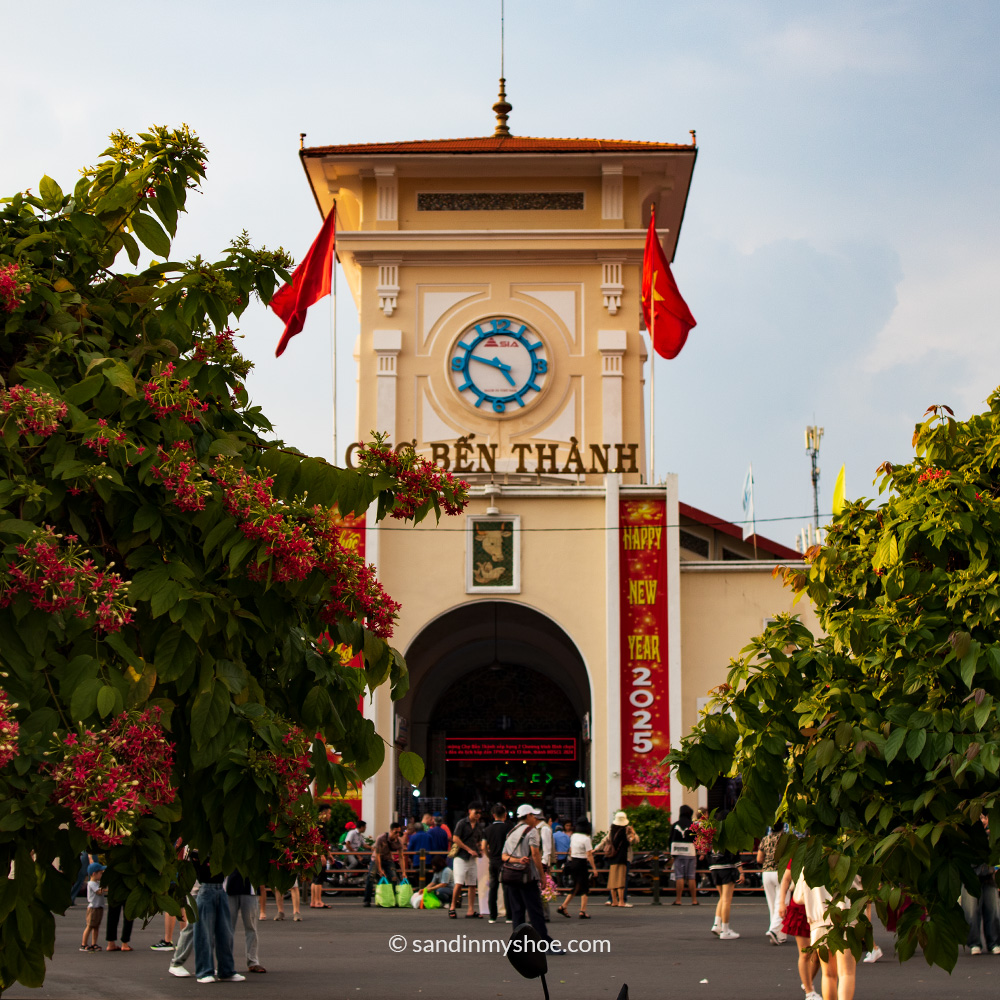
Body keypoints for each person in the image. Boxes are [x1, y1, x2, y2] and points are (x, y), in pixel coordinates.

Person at [501, 803, 561, 951]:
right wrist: (542, 876)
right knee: (535, 911)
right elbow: (535, 854)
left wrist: (517, 860)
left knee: (517, 911)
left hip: (512, 876)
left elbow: (504, 856)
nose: (535, 818)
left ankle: (518, 944)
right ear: (528, 816)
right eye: (533, 815)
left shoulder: (511, 832)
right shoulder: (532, 831)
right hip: (527, 877)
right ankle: (544, 943)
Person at [796, 872, 857, 1000]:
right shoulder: (850, 858)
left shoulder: (808, 865)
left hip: (819, 922)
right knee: (846, 973)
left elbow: (798, 898)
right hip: (846, 918)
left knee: (828, 974)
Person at [191, 852, 244, 983]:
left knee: (225, 933)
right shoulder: (197, 847)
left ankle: (226, 970)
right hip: (206, 888)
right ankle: (204, 971)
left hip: (220, 888)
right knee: (204, 933)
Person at [776, 862, 820, 1000]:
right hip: (800, 907)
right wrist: (782, 903)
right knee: (805, 952)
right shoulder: (797, 855)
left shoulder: (825, 852)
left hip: (819, 907)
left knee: (819, 954)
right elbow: (786, 879)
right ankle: (809, 991)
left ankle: (807, 982)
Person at [708, 809, 743, 938]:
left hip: (714, 867)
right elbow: (735, 853)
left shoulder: (713, 833)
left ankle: (717, 924)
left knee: (722, 897)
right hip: (726, 867)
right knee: (727, 900)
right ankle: (725, 930)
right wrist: (741, 872)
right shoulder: (729, 833)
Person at [557, 818, 598, 918]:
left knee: (577, 886)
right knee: (584, 887)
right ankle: (582, 911)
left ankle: (563, 906)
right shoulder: (586, 838)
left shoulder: (574, 836)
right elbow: (589, 854)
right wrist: (594, 869)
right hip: (582, 862)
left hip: (573, 862)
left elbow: (571, 850)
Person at [449, 803, 484, 918]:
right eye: (476, 812)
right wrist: (469, 849)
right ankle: (452, 907)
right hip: (461, 856)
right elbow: (455, 838)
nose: (478, 815)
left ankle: (470, 909)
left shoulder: (479, 826)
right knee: (459, 883)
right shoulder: (462, 823)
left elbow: (478, 841)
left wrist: (480, 850)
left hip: (472, 857)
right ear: (470, 811)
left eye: (479, 813)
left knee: (472, 884)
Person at [227, 870, 266, 974]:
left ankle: (253, 961)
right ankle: (226, 962)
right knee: (227, 928)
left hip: (250, 886)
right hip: (229, 884)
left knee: (251, 927)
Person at [363, 821, 407, 907]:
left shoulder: (399, 841)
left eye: (399, 832)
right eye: (396, 832)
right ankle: (367, 900)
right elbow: (378, 855)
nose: (398, 834)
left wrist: (404, 872)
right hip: (376, 858)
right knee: (371, 876)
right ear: (390, 831)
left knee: (393, 877)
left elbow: (401, 857)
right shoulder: (381, 838)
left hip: (388, 859)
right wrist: (380, 869)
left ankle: (393, 899)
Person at [757, 823, 787, 943]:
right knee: (783, 902)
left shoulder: (765, 839)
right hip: (781, 872)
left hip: (767, 873)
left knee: (772, 905)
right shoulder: (785, 838)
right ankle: (774, 930)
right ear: (783, 826)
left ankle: (780, 935)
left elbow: (759, 859)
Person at [484, 802, 512, 924]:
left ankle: (492, 916)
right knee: (507, 888)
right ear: (505, 815)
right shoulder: (509, 828)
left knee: (493, 888)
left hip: (493, 861)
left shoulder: (487, 829)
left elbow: (484, 846)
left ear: (493, 815)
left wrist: (489, 856)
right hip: (505, 861)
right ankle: (509, 916)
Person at [607, 811, 639, 907]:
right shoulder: (623, 833)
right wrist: (632, 833)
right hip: (621, 858)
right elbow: (630, 842)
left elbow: (606, 840)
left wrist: (595, 848)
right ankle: (621, 901)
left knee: (612, 880)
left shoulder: (612, 831)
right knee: (621, 880)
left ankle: (613, 901)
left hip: (612, 857)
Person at [670, 804, 699, 906]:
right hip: (690, 852)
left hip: (678, 852)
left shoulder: (675, 825)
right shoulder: (692, 825)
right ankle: (694, 900)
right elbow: (696, 839)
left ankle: (678, 900)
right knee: (691, 877)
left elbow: (670, 839)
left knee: (679, 876)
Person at [79, 862, 106, 952]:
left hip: (99, 907)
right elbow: (98, 891)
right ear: (94, 874)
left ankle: (94, 943)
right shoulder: (91, 883)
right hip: (93, 908)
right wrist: (106, 889)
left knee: (96, 926)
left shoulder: (97, 883)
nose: (102, 875)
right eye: (101, 873)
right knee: (90, 926)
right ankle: (83, 944)